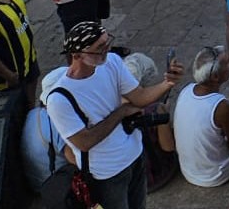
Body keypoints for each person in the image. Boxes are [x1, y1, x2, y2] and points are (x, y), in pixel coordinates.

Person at [46, 22, 184, 209]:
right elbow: (84, 142)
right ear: (77, 55)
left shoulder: (111, 62)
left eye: (106, 43)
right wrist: (121, 112)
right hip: (106, 173)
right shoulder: (59, 100)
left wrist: (167, 83)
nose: (106, 50)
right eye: (98, 49)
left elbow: (139, 96)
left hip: (135, 155)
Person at [174, 46, 229, 188]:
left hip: (188, 171)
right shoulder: (223, 107)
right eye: (227, 64)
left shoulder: (186, 90)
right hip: (213, 175)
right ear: (215, 77)